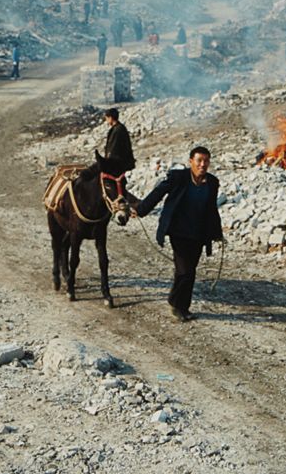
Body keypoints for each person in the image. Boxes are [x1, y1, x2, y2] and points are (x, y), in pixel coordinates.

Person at [134, 146, 225, 323]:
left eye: (206, 161)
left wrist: (217, 232)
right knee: (185, 270)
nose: (202, 164)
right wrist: (141, 210)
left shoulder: (212, 182)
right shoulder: (178, 177)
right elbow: (158, 193)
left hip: (198, 233)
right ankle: (178, 306)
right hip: (179, 231)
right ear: (191, 161)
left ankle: (180, 304)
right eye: (199, 160)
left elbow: (212, 209)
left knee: (190, 270)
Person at [94, 107, 135, 190]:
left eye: (107, 118)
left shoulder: (118, 130)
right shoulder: (118, 128)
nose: (106, 120)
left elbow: (114, 149)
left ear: (110, 118)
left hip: (118, 164)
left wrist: (108, 162)